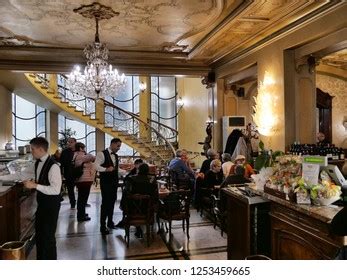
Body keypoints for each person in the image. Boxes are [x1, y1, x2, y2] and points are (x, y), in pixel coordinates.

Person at [0, 137, 62, 259]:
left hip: (51, 205)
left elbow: (55, 190)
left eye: (32, 149)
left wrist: (35, 185)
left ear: (40, 149)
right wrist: (1, 177)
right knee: (40, 235)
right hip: (42, 204)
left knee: (48, 238)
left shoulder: (54, 166)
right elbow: (20, 174)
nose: (31, 152)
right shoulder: (36, 163)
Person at [94, 138, 122, 235]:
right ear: (112, 144)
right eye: (118, 146)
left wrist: (126, 171)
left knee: (112, 202)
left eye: (120, 146)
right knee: (105, 204)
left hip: (114, 183)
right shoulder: (101, 154)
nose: (119, 148)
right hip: (106, 183)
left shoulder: (116, 156)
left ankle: (110, 222)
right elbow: (95, 166)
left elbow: (116, 170)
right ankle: (102, 226)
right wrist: (106, 169)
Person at [124, 163, 158, 238]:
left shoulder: (131, 179)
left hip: (133, 209)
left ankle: (137, 227)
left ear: (138, 170)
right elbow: (155, 194)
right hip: (148, 208)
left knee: (131, 202)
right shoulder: (152, 179)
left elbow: (126, 194)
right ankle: (152, 227)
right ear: (148, 170)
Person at [73, 142, 96, 222]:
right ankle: (81, 216)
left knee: (82, 199)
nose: (85, 149)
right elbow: (93, 157)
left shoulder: (76, 155)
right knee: (83, 199)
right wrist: (86, 154)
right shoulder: (80, 155)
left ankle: (82, 213)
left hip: (82, 180)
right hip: (84, 180)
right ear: (80, 148)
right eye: (84, 148)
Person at [60, 137, 77, 208]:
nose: (69, 143)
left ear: (75, 142)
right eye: (68, 142)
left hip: (79, 173)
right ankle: (72, 203)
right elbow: (61, 164)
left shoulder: (79, 151)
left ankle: (82, 203)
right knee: (70, 190)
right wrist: (61, 174)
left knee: (82, 190)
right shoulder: (65, 152)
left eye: (71, 142)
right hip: (69, 174)